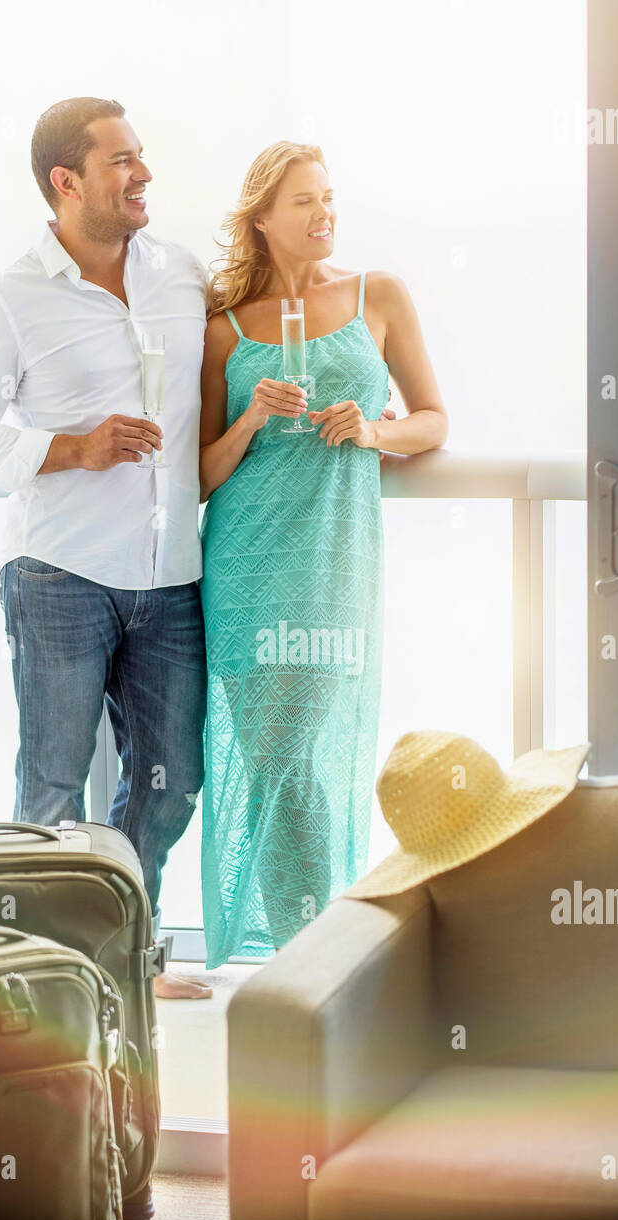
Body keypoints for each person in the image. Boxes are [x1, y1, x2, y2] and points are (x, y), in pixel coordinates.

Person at [0, 97, 211, 999]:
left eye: (142, 156)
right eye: (121, 162)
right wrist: (75, 447)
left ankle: (122, 962)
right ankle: (48, 988)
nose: (143, 174)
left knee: (174, 779)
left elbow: (249, 349)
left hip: (172, 575)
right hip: (58, 573)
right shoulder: (7, 299)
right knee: (52, 792)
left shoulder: (182, 274)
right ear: (66, 182)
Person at [198, 140, 448, 968]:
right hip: (244, 561)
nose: (323, 213)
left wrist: (372, 431)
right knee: (274, 758)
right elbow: (200, 474)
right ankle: (308, 957)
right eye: (304, 200)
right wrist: (250, 419)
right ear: (262, 218)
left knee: (303, 747)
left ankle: (312, 954)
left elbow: (434, 419)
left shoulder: (378, 294)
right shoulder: (222, 330)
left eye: (328, 197)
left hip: (333, 558)